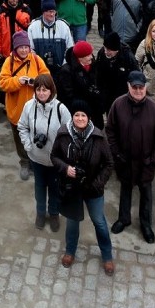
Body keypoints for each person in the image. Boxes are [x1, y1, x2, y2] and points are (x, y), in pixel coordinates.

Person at [51, 101, 114, 274]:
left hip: (93, 188)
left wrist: (98, 183)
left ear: (89, 118)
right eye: (77, 115)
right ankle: (70, 251)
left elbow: (109, 164)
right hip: (72, 188)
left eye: (83, 115)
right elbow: (54, 156)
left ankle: (107, 255)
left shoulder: (98, 137)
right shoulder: (63, 134)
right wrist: (66, 168)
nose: (79, 118)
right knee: (72, 222)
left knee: (99, 222)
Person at [105, 71, 155, 244]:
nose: (138, 91)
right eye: (135, 87)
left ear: (146, 87)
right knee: (125, 189)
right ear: (128, 86)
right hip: (125, 160)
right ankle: (124, 218)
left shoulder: (154, 109)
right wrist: (116, 153)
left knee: (146, 193)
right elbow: (110, 130)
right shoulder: (118, 105)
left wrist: (154, 159)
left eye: (141, 87)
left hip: (146, 162)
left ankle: (146, 224)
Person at [17, 74, 70, 232]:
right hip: (36, 158)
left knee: (54, 189)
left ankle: (54, 213)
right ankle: (40, 213)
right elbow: (22, 126)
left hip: (55, 161)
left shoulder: (61, 109)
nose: (41, 93)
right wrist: (28, 145)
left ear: (51, 90)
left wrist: (61, 152)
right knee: (39, 188)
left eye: (45, 90)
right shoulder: (29, 106)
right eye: (39, 90)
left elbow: (68, 133)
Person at [0, 31, 51, 179]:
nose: (23, 50)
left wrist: (35, 81)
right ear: (15, 48)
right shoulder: (8, 62)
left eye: (26, 47)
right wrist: (17, 81)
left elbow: (47, 77)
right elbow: (2, 83)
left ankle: (35, 160)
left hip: (36, 109)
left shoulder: (36, 59)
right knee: (20, 137)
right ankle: (24, 161)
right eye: (20, 47)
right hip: (17, 110)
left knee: (36, 135)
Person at [57, 41, 103, 128]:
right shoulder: (66, 71)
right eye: (88, 55)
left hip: (95, 110)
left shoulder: (94, 65)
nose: (91, 57)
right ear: (80, 58)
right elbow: (68, 95)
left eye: (91, 54)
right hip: (78, 111)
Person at [93, 32, 138, 116]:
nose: (106, 52)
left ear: (116, 50)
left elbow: (135, 75)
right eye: (105, 48)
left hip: (122, 93)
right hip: (107, 92)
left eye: (109, 50)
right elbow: (97, 73)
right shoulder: (101, 53)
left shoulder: (128, 57)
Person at [27, 0, 74, 79]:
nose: (52, 14)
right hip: (39, 71)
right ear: (43, 12)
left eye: (53, 11)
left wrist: (64, 65)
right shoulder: (33, 27)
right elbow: (30, 50)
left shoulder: (63, 26)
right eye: (49, 11)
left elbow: (70, 49)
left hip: (60, 70)